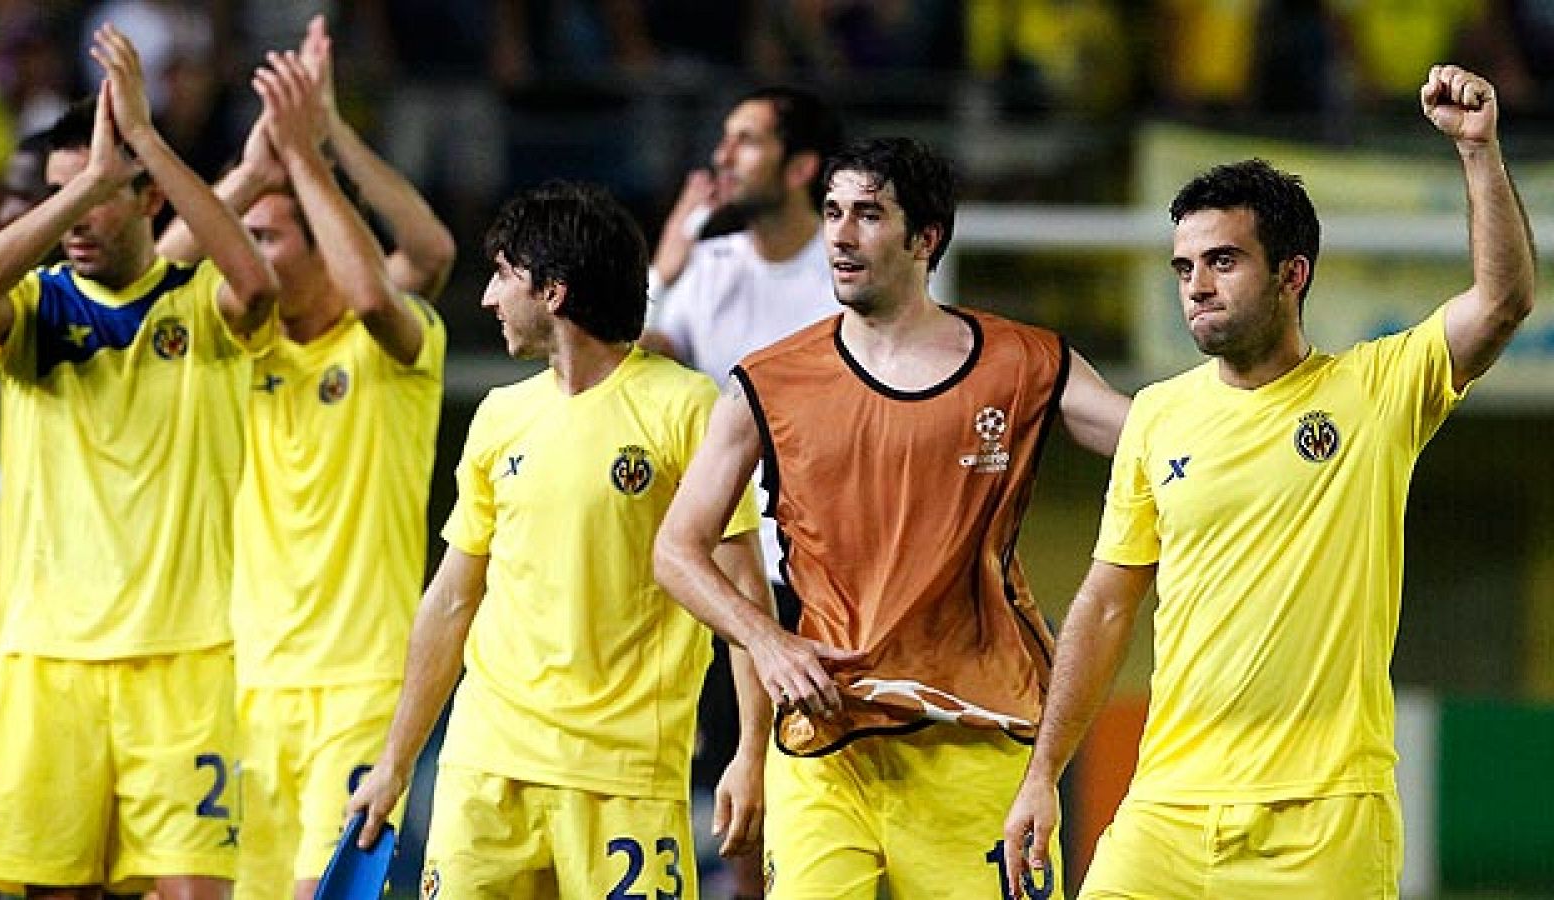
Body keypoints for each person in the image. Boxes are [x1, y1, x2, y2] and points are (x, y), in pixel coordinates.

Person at [1003, 64, 1535, 900]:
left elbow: (1502, 300)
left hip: (1324, 823)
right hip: (1167, 813)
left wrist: (1478, 151)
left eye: (1222, 261)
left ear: (1293, 273)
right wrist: (1043, 773)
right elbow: (1106, 604)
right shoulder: (1156, 417)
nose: (1197, 287)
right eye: (1183, 269)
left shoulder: (1376, 389)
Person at [653, 136, 1130, 900]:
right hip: (825, 750)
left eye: (869, 215)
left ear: (926, 238)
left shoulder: (1025, 364)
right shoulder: (765, 385)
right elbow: (676, 549)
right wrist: (768, 642)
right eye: (834, 212)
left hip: (977, 744)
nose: (839, 235)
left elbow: (1156, 445)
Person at [346, 180, 774, 898]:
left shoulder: (686, 407)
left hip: (625, 778)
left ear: (553, 290)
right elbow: (453, 600)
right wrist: (394, 763)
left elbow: (744, 603)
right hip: (486, 766)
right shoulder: (498, 417)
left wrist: (751, 753)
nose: (487, 298)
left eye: (504, 275)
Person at [0, 23, 278, 899]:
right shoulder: (32, 310)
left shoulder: (202, 307)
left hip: (184, 662)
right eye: (57, 196)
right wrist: (92, 177)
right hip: (48, 661)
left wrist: (146, 142)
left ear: (149, 201)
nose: (77, 216)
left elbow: (257, 289)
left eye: (100, 195)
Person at [158, 27, 452, 899]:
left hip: (359, 682)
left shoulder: (398, 345)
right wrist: (253, 168)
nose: (242, 251)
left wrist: (315, 147)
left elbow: (392, 275)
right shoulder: (233, 351)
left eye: (269, 236)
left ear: (324, 242)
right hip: (246, 682)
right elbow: (155, 287)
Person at [643, 84, 842, 899]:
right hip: (724, 588)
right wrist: (668, 257)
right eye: (725, 138)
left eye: (747, 140)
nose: (723, 156)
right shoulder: (711, 266)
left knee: (831, 811)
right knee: (741, 814)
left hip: (823, 582)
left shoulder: (842, 277)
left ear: (800, 166)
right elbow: (636, 358)